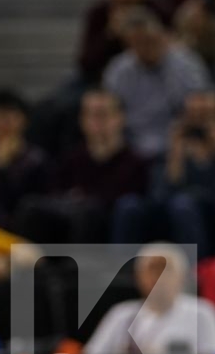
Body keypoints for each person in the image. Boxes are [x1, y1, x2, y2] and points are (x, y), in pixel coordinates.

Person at [112, 91, 215, 258]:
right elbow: (159, 197)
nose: (201, 125)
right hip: (173, 216)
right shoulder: (169, 155)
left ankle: (195, 275)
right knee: (129, 205)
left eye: (207, 117)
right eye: (193, 116)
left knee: (184, 205)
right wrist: (175, 157)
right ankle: (121, 272)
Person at [16, 89, 146, 244]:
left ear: (119, 118)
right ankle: (32, 265)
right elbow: (55, 192)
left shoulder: (134, 161)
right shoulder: (72, 158)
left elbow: (123, 204)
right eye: (89, 114)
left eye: (102, 114)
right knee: (31, 207)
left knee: (88, 213)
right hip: (70, 217)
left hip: (104, 225)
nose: (96, 121)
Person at [83, 242, 215, 354]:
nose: (158, 277)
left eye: (166, 270)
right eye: (151, 270)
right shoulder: (121, 314)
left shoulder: (203, 313)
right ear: (138, 277)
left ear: (182, 277)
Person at [102, 8, 211, 161]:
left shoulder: (186, 64)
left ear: (161, 35)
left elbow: (202, 104)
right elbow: (110, 109)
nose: (145, 47)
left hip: (177, 143)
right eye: (137, 42)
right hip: (129, 145)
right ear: (128, 43)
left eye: (149, 40)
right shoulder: (118, 70)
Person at [76, 0, 166, 85]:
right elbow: (85, 62)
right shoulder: (98, 13)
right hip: (99, 79)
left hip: (152, 77)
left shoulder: (159, 10)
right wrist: (110, 34)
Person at [0, 88, 50, 235]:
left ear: (24, 120)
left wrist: (2, 169)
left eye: (10, 115)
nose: (4, 123)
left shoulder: (36, 160)